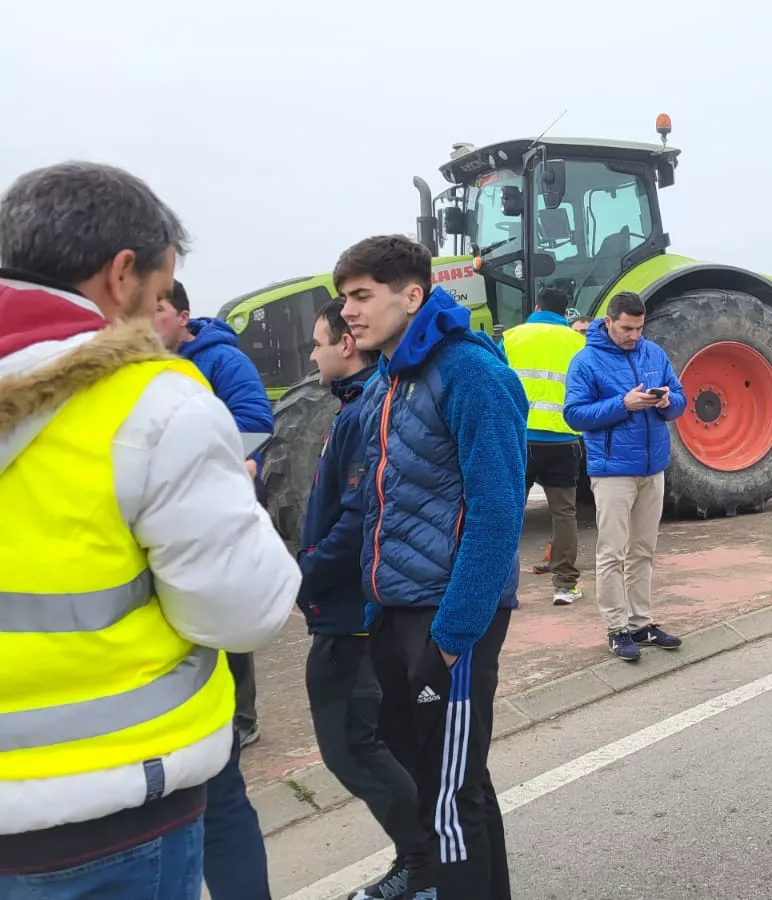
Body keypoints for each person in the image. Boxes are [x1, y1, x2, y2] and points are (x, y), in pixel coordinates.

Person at [0, 162, 298, 898]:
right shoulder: (149, 402)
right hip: (108, 809)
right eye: (160, 296)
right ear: (121, 274)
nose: (163, 321)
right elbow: (245, 609)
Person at [336, 235, 527, 898]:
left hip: (450, 619)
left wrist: (452, 638)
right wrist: (373, 609)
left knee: (446, 805)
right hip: (397, 611)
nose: (348, 312)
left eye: (361, 296)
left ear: (411, 295)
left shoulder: (469, 372)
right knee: (450, 785)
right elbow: (384, 505)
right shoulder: (389, 380)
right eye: (345, 298)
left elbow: (498, 514)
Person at [297, 299, 431, 899]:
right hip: (346, 607)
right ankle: (426, 861)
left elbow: (358, 519)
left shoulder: (362, 412)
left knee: (354, 747)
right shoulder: (353, 407)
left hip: (351, 610)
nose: (312, 353)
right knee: (363, 746)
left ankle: (423, 866)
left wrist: (302, 575)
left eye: (319, 342)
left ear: (346, 346)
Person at [152, 279, 273, 745]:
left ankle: (241, 718)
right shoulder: (140, 366)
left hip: (220, 502)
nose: (148, 318)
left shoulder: (224, 361)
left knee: (224, 608)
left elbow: (255, 422)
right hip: (167, 507)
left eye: (158, 308)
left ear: (184, 316)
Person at [563, 292, 686, 661]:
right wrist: (623, 404)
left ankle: (641, 622)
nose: (634, 335)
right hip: (613, 470)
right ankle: (616, 629)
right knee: (612, 552)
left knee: (643, 550)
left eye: (639, 328)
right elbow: (574, 415)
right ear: (610, 321)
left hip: (653, 467)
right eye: (627, 328)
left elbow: (680, 398)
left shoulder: (654, 353)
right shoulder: (586, 361)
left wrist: (666, 401)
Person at [503, 287, 588, 606]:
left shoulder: (511, 337)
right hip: (563, 439)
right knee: (564, 514)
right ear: (565, 312)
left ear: (537, 306)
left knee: (511, 512)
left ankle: (504, 589)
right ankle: (565, 586)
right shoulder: (578, 342)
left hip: (519, 440)